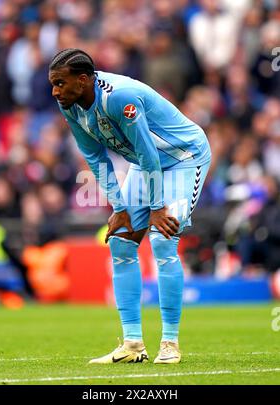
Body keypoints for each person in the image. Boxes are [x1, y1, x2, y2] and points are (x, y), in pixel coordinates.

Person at [48, 48, 211, 364]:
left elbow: (148, 151)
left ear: (82, 80)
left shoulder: (120, 98)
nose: (55, 91)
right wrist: (119, 208)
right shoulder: (69, 105)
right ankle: (132, 344)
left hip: (183, 158)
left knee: (163, 239)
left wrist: (157, 206)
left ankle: (170, 343)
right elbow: (95, 157)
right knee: (122, 243)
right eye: (53, 84)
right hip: (143, 163)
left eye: (59, 83)